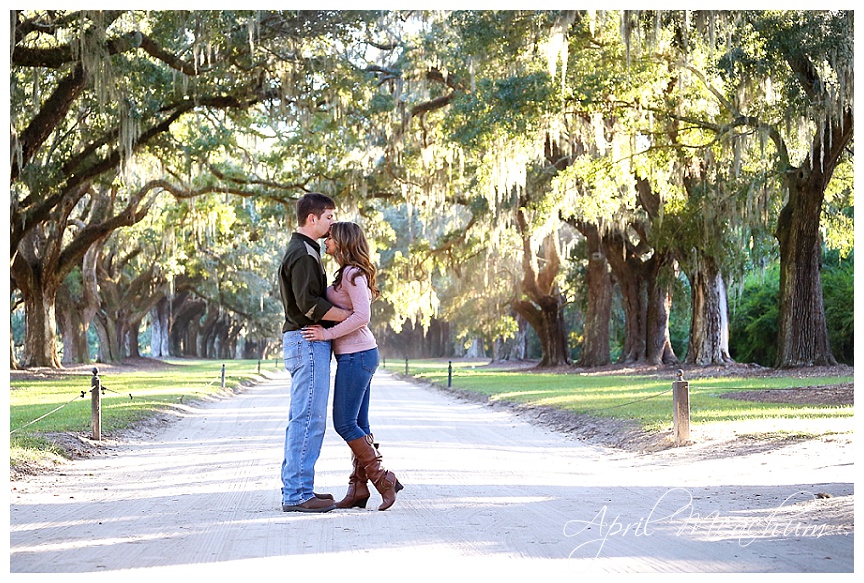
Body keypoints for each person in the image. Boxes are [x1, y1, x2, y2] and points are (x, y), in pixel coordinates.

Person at [302, 222, 403, 511]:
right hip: (357, 355)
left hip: (358, 355)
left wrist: (326, 334)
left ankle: (383, 479)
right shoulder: (346, 273)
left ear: (343, 240)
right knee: (360, 425)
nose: (326, 240)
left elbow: (362, 316)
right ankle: (358, 489)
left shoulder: (353, 274)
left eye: (331, 237)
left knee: (344, 423)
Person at [278, 192, 351, 513]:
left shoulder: (306, 250)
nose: (333, 223)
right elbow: (309, 305)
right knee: (308, 419)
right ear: (313, 219)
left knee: (308, 418)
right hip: (306, 340)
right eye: (330, 217)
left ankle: (301, 487)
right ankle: (296, 494)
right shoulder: (304, 254)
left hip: (305, 341)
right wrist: (352, 316)